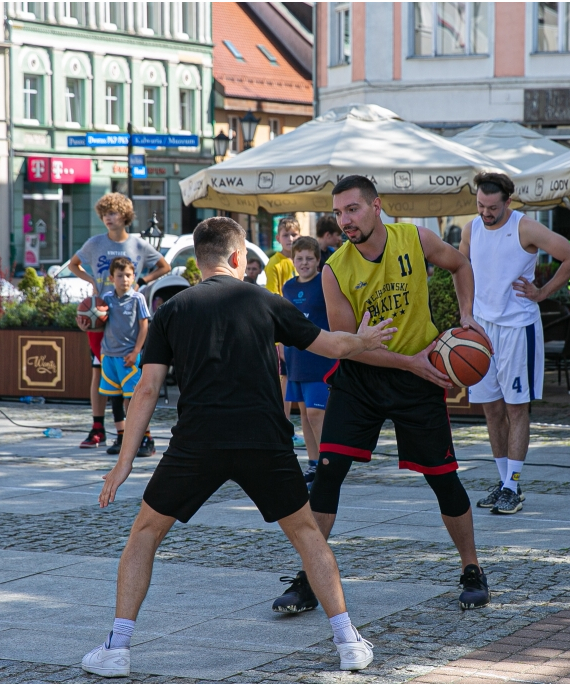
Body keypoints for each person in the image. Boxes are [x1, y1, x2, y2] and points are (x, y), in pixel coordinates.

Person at [81, 217, 396, 677]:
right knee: (308, 536)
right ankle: (348, 642)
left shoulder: (171, 310)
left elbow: (146, 391)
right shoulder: (267, 300)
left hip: (197, 443)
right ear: (237, 259)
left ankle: (117, 650)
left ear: (199, 259)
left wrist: (123, 465)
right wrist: (363, 339)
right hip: (264, 441)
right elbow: (329, 345)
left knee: (143, 536)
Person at [273, 174, 492, 616]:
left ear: (376, 207)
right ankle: (308, 578)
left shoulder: (414, 238)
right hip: (362, 378)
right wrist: (407, 360)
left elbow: (461, 266)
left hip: (419, 378)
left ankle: (472, 569)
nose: (345, 220)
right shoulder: (335, 270)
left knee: (443, 477)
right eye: (338, 213)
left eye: (352, 209)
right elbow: (350, 344)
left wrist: (466, 319)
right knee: (328, 473)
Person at [460, 172, 570, 516]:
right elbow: (460, 269)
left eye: (492, 207)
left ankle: (513, 485)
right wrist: (465, 312)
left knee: (517, 408)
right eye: (481, 206)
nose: (486, 213)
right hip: (483, 329)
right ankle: (504, 483)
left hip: (518, 327)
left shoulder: (525, 227)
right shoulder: (471, 228)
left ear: (508, 203)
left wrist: (542, 293)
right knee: (491, 408)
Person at [69, 192, 170, 452]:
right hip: (101, 314)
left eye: (112, 213)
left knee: (129, 379)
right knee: (99, 370)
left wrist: (142, 282)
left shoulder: (136, 244)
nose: (108, 218)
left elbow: (164, 266)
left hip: (127, 317)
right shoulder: (94, 242)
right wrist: (91, 281)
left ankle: (138, 435)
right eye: (104, 214)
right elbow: (74, 265)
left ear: (124, 216)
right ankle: (98, 427)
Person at [281, 236, 334, 485]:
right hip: (295, 357)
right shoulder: (288, 288)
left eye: (309, 258)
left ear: (318, 260)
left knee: (316, 413)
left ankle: (327, 464)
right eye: (299, 258)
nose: (304, 263)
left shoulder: (325, 283)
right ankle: (313, 464)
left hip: (319, 358)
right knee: (303, 413)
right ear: (293, 260)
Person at [97, 257, 153, 456]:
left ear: (134, 276)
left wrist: (136, 351)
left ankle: (146, 438)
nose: (125, 279)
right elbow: (96, 321)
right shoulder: (106, 299)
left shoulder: (138, 298)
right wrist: (86, 320)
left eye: (128, 275)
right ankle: (121, 437)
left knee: (133, 400)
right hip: (109, 356)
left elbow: (144, 325)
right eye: (120, 276)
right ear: (112, 277)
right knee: (115, 398)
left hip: (129, 357)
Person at [265, 216, 302, 433]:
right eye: (286, 235)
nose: (290, 238)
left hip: (300, 328)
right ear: (278, 238)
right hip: (284, 330)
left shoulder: (302, 259)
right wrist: (278, 339)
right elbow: (272, 299)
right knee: (284, 379)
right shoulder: (274, 264)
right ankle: (284, 424)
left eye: (294, 234)